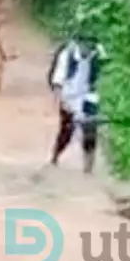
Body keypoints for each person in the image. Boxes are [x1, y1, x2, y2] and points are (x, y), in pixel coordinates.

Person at [48, 30, 106, 174]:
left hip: (88, 94)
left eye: (90, 45)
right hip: (69, 93)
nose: (87, 49)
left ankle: (88, 167)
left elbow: (105, 74)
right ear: (78, 43)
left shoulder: (98, 53)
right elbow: (57, 81)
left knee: (90, 129)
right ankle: (55, 155)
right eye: (85, 45)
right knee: (66, 131)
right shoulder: (66, 55)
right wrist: (61, 101)